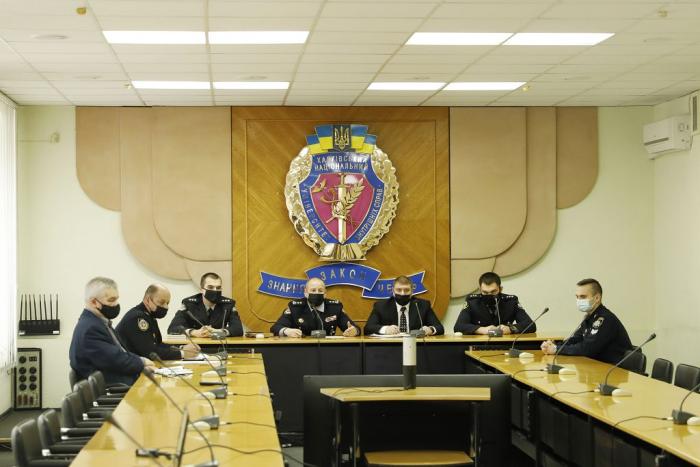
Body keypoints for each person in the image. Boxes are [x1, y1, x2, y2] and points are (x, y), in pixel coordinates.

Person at [69, 277, 155, 385]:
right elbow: (116, 360)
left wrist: (141, 363)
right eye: (111, 300)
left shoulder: (99, 322)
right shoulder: (90, 329)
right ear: (94, 302)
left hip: (122, 382)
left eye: (116, 299)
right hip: (113, 389)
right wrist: (142, 362)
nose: (116, 304)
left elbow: (121, 353)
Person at [541, 278, 632, 364]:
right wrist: (555, 345)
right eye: (577, 297)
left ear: (597, 298)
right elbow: (576, 339)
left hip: (615, 370)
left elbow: (587, 349)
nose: (579, 300)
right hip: (597, 366)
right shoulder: (589, 317)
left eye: (583, 297)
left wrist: (556, 349)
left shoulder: (605, 319)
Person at [117, 283, 200, 360]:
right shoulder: (138, 318)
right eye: (161, 302)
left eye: (167, 303)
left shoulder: (149, 316)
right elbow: (150, 352)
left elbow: (158, 344)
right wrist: (182, 353)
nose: (166, 307)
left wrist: (181, 348)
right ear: (147, 300)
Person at [270, 277, 359, 337]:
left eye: (320, 290)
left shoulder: (335, 307)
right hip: (301, 349)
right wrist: (286, 331)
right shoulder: (295, 307)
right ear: (305, 292)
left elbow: (354, 328)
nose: (316, 293)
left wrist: (354, 331)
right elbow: (276, 327)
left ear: (325, 293)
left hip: (329, 349)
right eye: (313, 290)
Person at [454, 272, 535, 335]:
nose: (489, 295)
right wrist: (482, 330)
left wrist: (510, 329)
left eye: (493, 292)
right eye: (485, 292)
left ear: (500, 289)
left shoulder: (511, 301)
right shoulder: (472, 302)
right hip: (479, 343)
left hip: (505, 343)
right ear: (480, 290)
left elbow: (530, 325)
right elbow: (458, 326)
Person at [167, 272, 243, 337]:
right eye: (210, 287)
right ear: (201, 289)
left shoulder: (228, 304)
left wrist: (217, 331)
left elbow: (238, 329)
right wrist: (194, 332)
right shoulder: (189, 304)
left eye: (218, 288)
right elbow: (173, 328)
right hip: (195, 345)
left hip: (219, 345)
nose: (215, 290)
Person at [364, 276, 444, 335]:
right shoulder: (381, 306)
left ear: (412, 291)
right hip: (390, 346)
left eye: (406, 290)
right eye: (399, 290)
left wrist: (430, 329)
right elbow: (368, 328)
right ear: (393, 291)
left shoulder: (422, 305)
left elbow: (440, 328)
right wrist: (386, 329)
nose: (402, 293)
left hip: (416, 345)